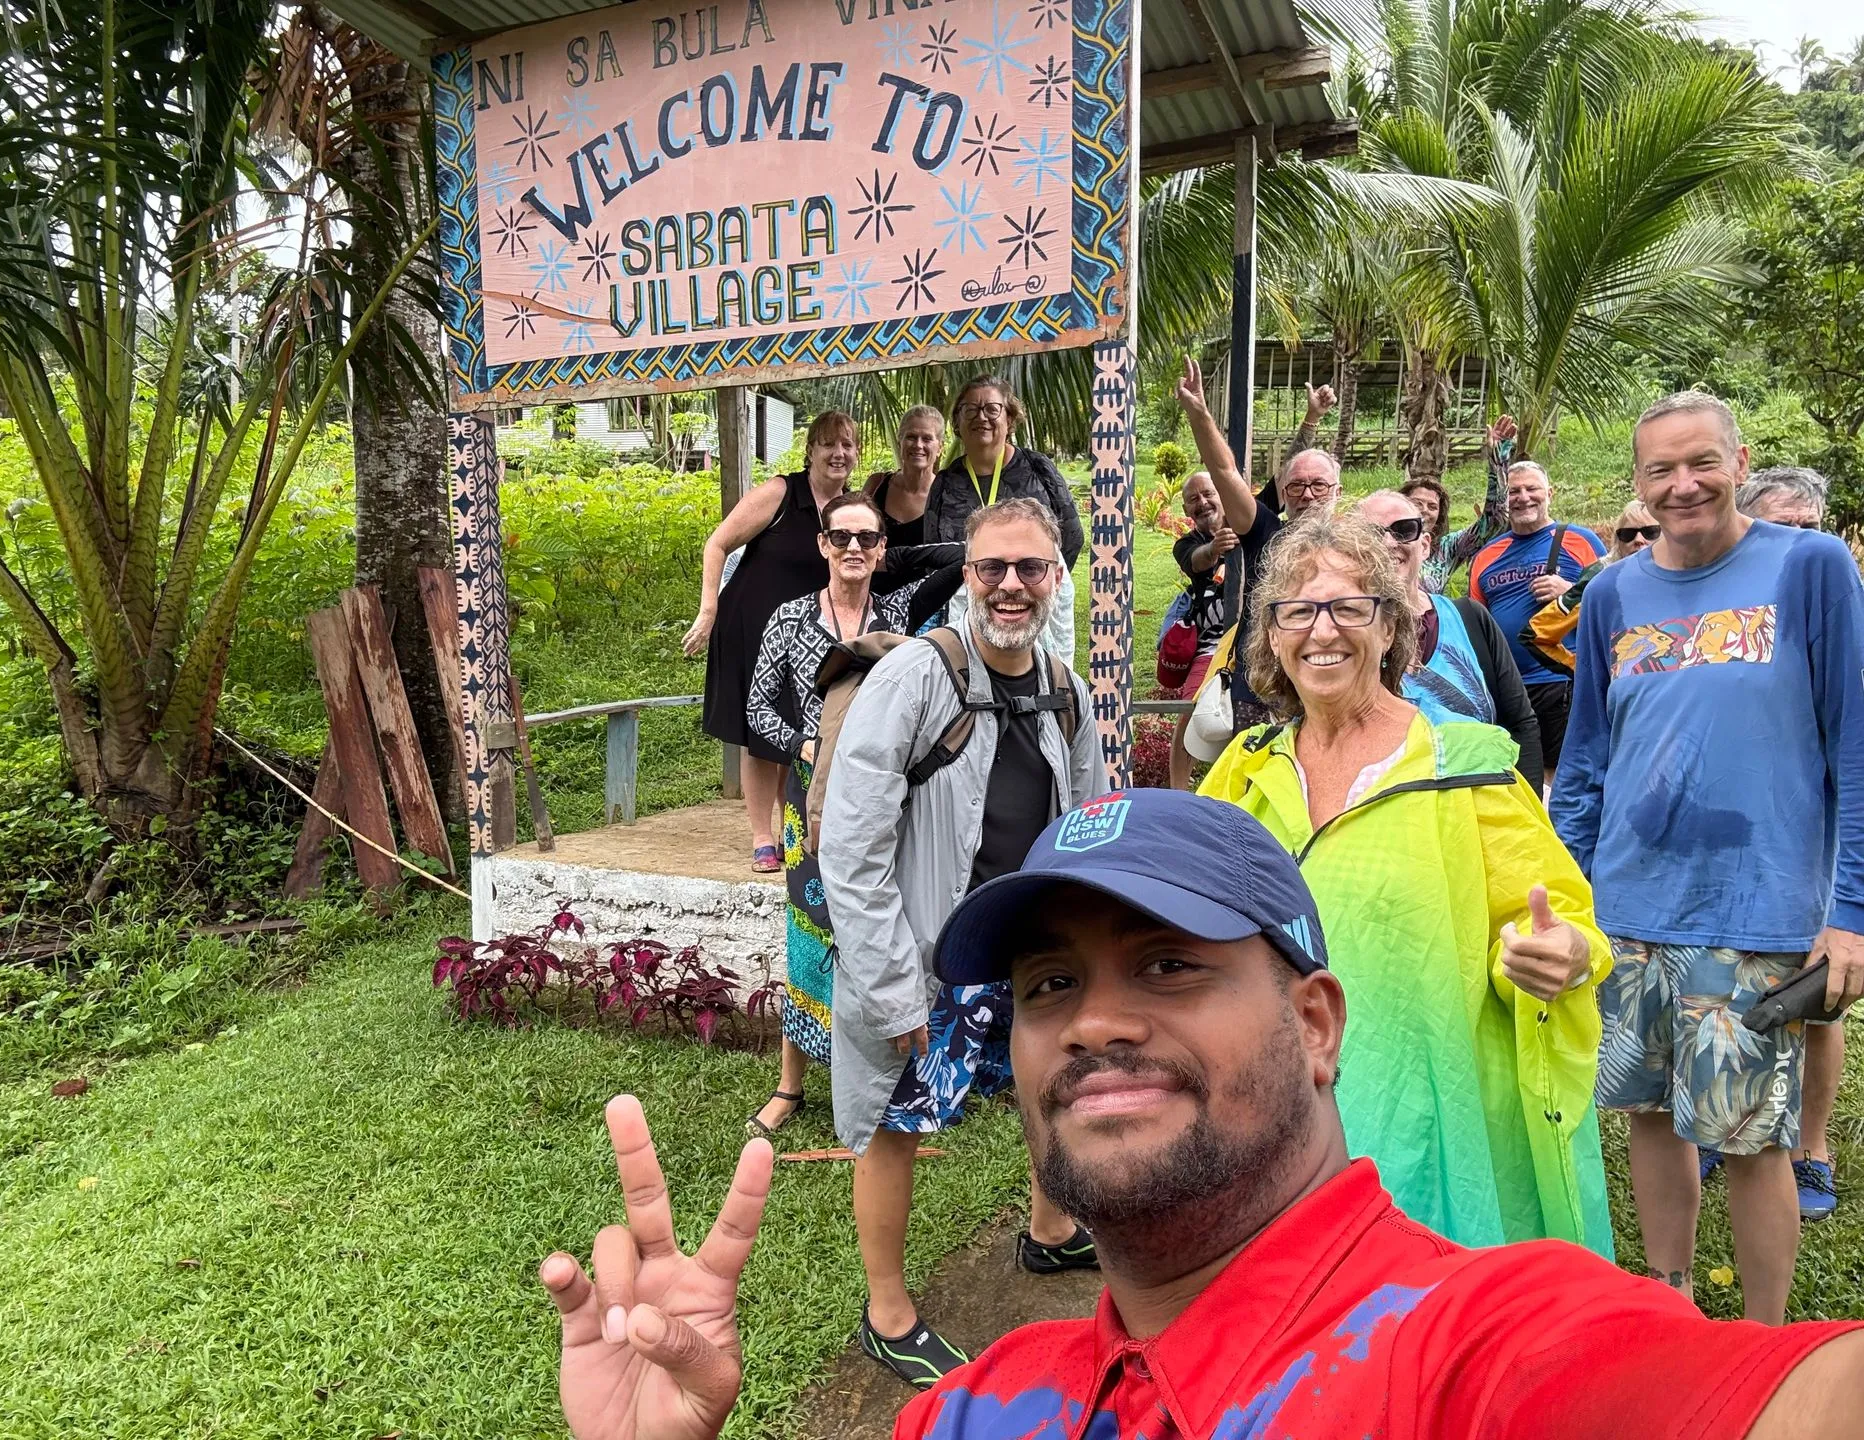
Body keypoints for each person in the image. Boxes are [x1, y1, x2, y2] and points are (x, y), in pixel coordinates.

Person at [542, 790, 1864, 1440]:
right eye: (1050, 984)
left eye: (1170, 964)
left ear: (1315, 1025)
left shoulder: (1476, 1349)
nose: (1094, 1023)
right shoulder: (977, 1410)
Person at [1196, 516, 1612, 1252]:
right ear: (1274, 637)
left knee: (1408, 1287)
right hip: (1274, 1103)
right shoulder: (1246, 770)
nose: (1323, 629)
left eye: (1349, 606)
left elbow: (1559, 918)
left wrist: (1562, 954)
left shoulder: (1463, 769)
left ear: (1391, 629)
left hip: (1418, 1110)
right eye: (1298, 611)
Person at [1553, 393, 1864, 1324]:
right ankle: (1674, 1311)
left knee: (1752, 1135)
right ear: (1638, 482)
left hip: (1756, 906)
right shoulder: (1613, 593)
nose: (1682, 485)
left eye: (1702, 463)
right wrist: (1565, 886)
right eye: (1661, 470)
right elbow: (1586, 759)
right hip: (1629, 904)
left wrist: (1849, 914)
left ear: (1740, 461)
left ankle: (1764, 1343)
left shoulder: (1808, 567)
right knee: (1650, 1114)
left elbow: (1853, 746)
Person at [819, 497, 1107, 1387]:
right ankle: (887, 1312)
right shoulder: (915, 678)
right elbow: (852, 847)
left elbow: (1092, 825)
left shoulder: (1066, 689)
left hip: (1030, 950)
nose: (1011, 585)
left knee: (1053, 1090)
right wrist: (890, 983)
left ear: (1056, 578)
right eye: (992, 567)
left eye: (1031, 568)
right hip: (928, 953)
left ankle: (1051, 1230)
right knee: (894, 1122)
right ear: (967, 577)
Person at [741, 493, 965, 1139]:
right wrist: (803, 744)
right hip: (811, 799)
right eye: (840, 537)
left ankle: (895, 1082)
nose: (853, 549)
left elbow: (962, 558)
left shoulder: (899, 612)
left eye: (867, 538)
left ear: (881, 548)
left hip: (885, 799)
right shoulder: (790, 620)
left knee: (886, 927)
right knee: (810, 937)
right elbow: (758, 709)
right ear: (821, 544)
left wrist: (894, 558)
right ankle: (789, 1085)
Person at [1725, 465, 1844, 1223]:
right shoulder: (1726, 611)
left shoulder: (1840, 608)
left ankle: (1811, 1146)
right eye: (1779, 528)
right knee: (1729, 984)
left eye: (1810, 529)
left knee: (1819, 995)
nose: (1796, 544)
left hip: (1811, 838)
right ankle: (1730, 1114)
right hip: (1726, 836)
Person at [686, 411, 858, 871]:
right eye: (828, 444)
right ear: (810, 450)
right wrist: (708, 611)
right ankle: (762, 836)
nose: (838, 453)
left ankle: (790, 827)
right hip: (751, 627)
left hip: (805, 639)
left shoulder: (850, 509)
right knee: (761, 735)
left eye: (847, 444)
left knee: (798, 732)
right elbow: (717, 544)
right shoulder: (781, 493)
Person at [1174, 356, 1342, 734]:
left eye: (1319, 485)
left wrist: (1311, 420)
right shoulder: (1263, 530)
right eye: (1296, 487)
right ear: (1284, 494)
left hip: (1330, 692)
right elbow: (1225, 472)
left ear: (1338, 491)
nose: (1307, 495)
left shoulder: (1357, 549)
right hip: (1260, 695)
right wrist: (1200, 414)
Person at [1353, 490, 1544, 792]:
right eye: (1371, 534)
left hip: (1485, 802)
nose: (1388, 542)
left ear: (1425, 545)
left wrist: (1526, 807)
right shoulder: (1342, 636)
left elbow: (1520, 724)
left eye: (1404, 530)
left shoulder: (1470, 619)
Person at [923, 377, 1083, 659]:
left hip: (1032, 605)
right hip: (969, 613)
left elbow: (1071, 536)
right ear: (958, 421)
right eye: (970, 409)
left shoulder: (1037, 467)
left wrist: (1034, 577)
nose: (981, 417)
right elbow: (932, 554)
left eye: (992, 409)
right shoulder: (945, 482)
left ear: (1009, 419)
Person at [1467, 459, 1605, 780]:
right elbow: (1477, 623)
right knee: (1516, 774)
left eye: (1532, 489)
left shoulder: (1581, 540)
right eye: (1514, 491)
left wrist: (1571, 591)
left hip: (1562, 680)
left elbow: (1615, 599)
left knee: (1564, 772)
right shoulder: (1486, 555)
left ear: (1550, 493)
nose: (1523, 497)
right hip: (1508, 687)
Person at [1520, 499, 1659, 681]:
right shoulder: (1601, 577)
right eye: (1628, 534)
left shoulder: (1689, 572)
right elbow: (1536, 634)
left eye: (1650, 532)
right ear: (1618, 541)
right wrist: (1585, 671)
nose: (1639, 540)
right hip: (1622, 690)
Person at [1167, 469, 1242, 790]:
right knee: (1191, 711)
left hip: (1254, 639)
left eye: (1208, 493)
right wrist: (1214, 550)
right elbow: (1196, 560)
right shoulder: (1187, 544)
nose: (1202, 502)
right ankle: (1178, 793)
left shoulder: (1247, 525)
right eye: (1193, 499)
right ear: (1186, 509)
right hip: (1211, 645)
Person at [1403, 414, 1516, 592]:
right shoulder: (1382, 541)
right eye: (1417, 503)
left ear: (1439, 516)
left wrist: (1498, 459)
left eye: (1433, 507)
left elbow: (1495, 519)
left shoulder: (1446, 549)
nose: (1424, 510)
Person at [864, 405, 946, 547]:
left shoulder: (947, 496)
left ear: (940, 448)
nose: (918, 445)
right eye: (911, 437)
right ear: (899, 442)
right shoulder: (876, 485)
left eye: (927, 439)